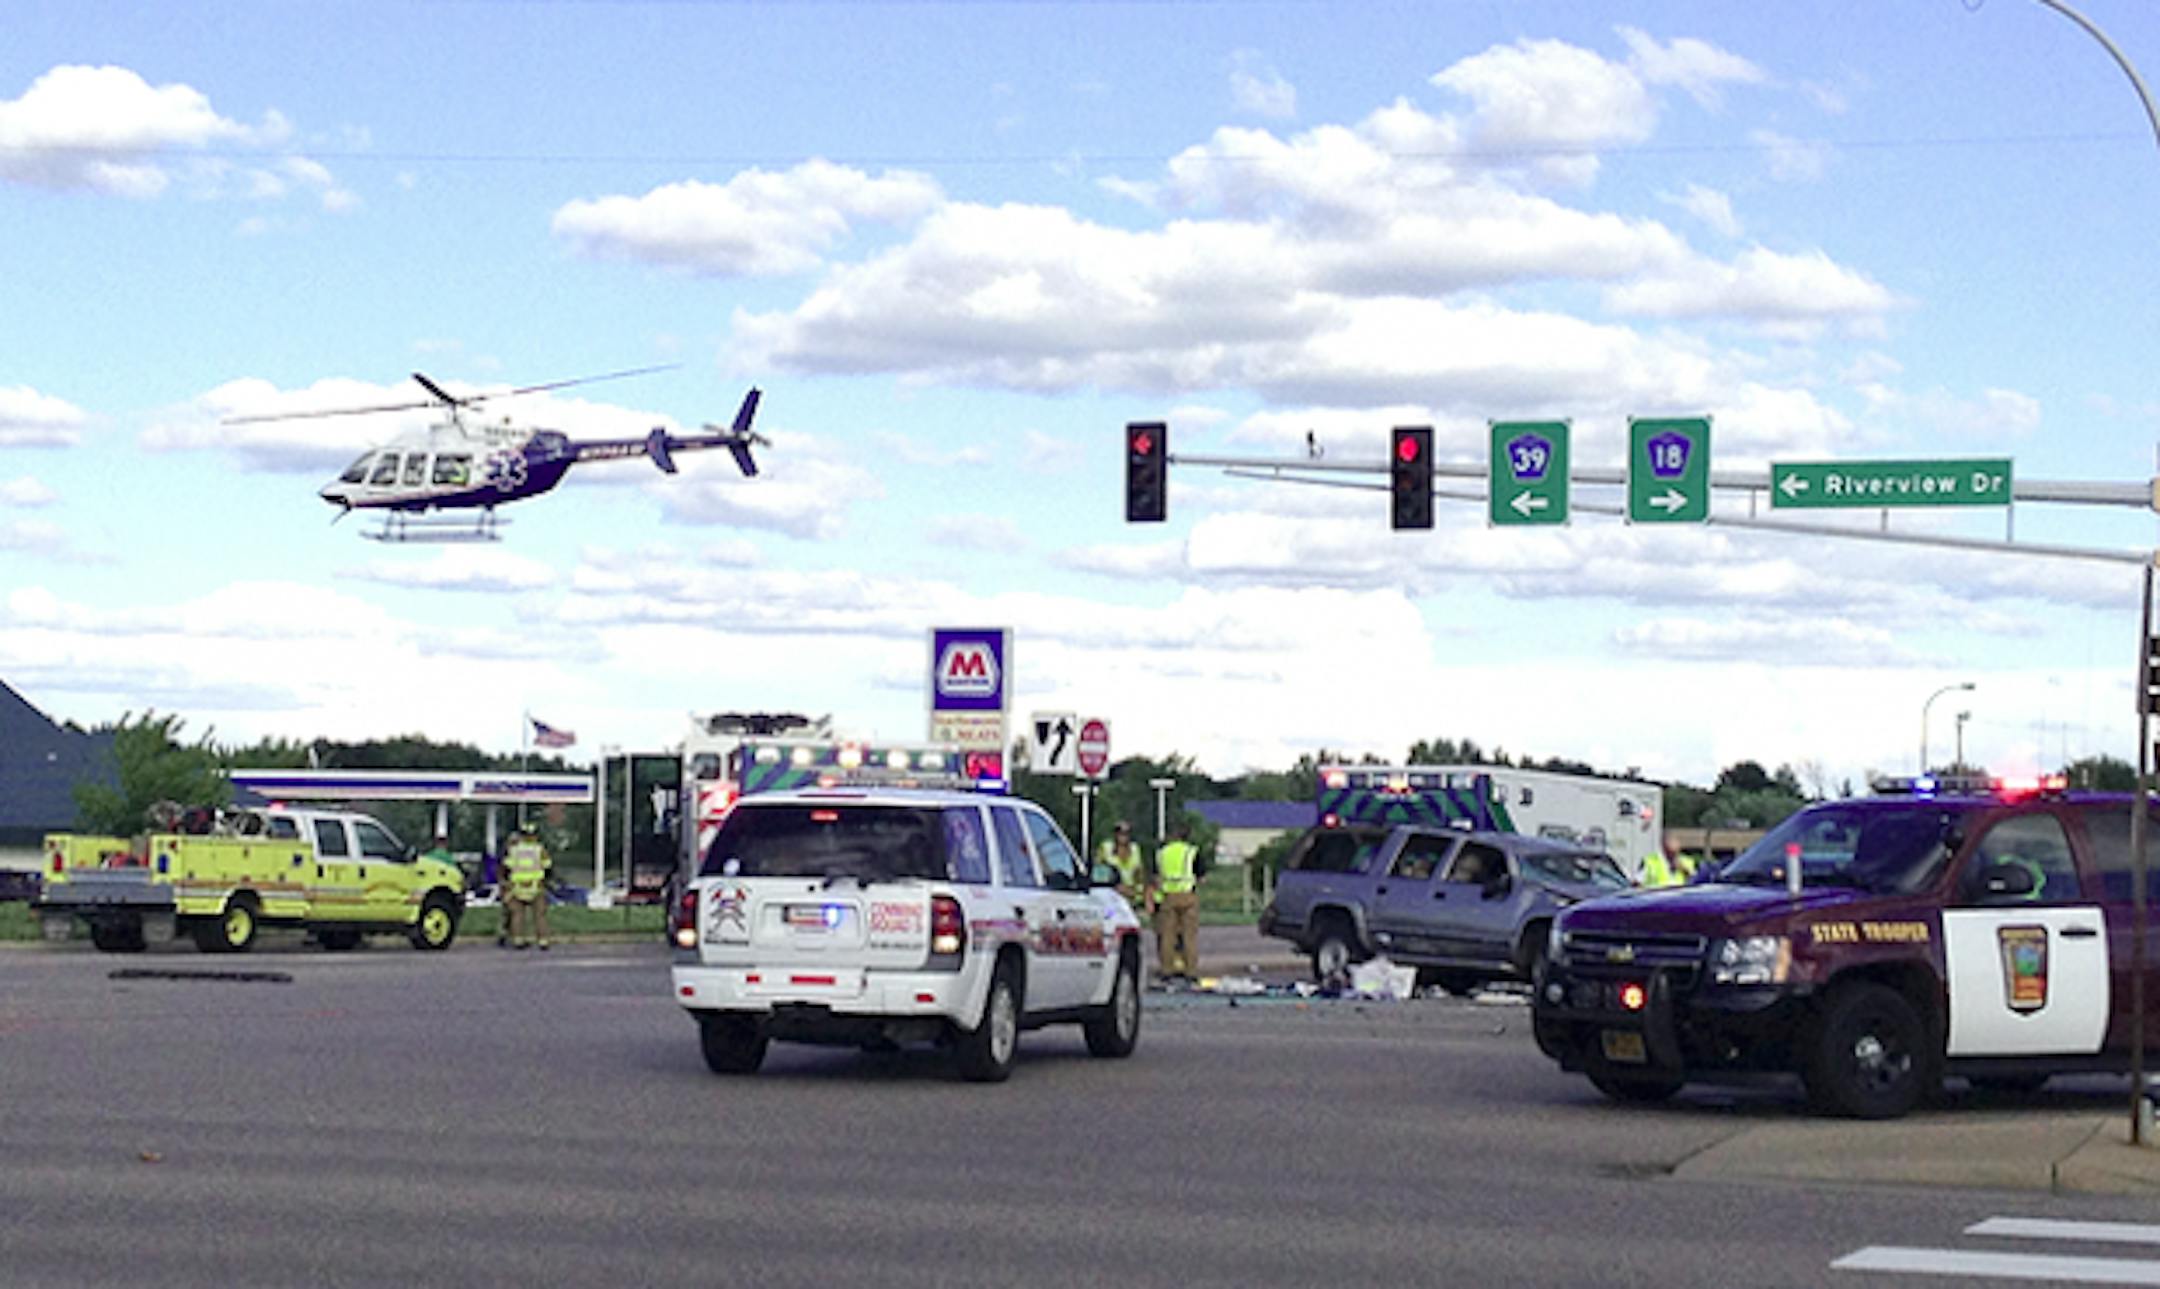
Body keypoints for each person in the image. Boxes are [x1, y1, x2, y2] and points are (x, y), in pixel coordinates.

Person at [1154, 822, 1202, 983]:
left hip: (1168, 896)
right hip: (1187, 895)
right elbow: (1201, 876)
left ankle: (1167, 970)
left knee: (1167, 936)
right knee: (1189, 937)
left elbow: (1157, 875)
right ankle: (1191, 972)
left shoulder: (1162, 853)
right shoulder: (1191, 852)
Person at [502, 825, 553, 951]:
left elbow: (506, 868)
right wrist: (546, 882)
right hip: (536, 886)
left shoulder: (513, 850)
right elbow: (548, 867)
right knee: (540, 915)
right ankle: (543, 941)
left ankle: (518, 940)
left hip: (517, 887)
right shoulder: (540, 850)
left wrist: (506, 884)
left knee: (517, 915)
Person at [1097, 821, 1149, 916]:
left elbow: (1139, 875)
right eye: (1120, 833)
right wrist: (1115, 886)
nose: (1123, 836)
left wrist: (1137, 891)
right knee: (1110, 919)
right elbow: (1098, 873)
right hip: (1110, 898)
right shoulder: (1106, 848)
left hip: (1130, 897)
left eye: (1126, 833)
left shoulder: (1135, 849)